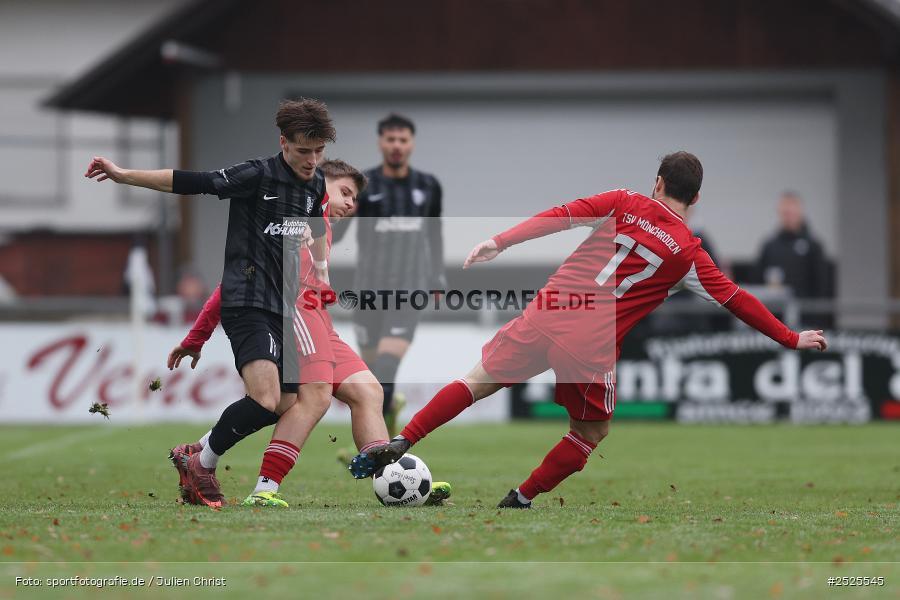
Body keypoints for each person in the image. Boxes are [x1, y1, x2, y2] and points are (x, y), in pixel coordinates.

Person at [351, 152, 828, 508]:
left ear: (657, 182)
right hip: (590, 343)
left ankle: (404, 439)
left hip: (548, 310)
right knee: (591, 430)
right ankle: (521, 497)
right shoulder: (689, 254)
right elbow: (738, 300)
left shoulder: (624, 200)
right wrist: (790, 337)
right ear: (696, 198)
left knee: (473, 383)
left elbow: (560, 216)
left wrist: (500, 240)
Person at [86, 98, 334, 508]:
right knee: (267, 399)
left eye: (318, 151)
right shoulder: (256, 175)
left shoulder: (316, 183)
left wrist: (322, 267)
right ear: (284, 143)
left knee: (286, 403)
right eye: (303, 150)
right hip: (247, 300)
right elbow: (190, 181)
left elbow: (317, 224)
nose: (311, 160)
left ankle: (195, 454)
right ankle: (203, 462)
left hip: (284, 308)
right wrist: (123, 175)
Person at [167, 160, 452, 507]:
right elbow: (235, 282)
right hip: (294, 315)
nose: (351, 203)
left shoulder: (322, 228)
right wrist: (196, 337)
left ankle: (394, 478)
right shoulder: (298, 218)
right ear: (319, 185)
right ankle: (264, 491)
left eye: (354, 198)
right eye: (344, 192)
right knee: (312, 399)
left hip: (319, 320)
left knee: (367, 392)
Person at [332, 114, 445, 438]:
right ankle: (387, 425)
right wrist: (321, 218)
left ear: (411, 143)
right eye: (390, 139)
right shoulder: (363, 184)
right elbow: (339, 236)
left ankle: (380, 449)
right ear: (381, 142)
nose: (396, 146)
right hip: (367, 290)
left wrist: (437, 277)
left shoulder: (428, 186)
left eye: (403, 139)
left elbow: (434, 234)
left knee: (385, 367)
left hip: (410, 288)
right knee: (371, 376)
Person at [757, 191, 830, 299]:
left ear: (800, 211)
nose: (789, 215)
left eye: (792, 210)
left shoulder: (813, 246)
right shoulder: (769, 246)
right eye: (785, 212)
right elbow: (758, 281)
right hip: (774, 312)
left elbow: (822, 286)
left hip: (805, 311)